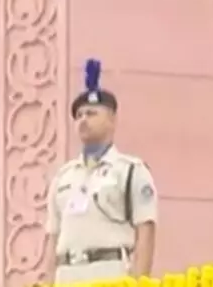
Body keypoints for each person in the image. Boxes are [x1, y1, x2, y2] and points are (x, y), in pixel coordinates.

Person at [47, 59, 157, 282]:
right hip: (67, 274)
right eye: (79, 116)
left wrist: (140, 282)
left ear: (112, 120)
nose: (83, 121)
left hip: (109, 273)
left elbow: (145, 231)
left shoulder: (130, 171)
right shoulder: (64, 177)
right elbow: (53, 238)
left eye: (91, 114)